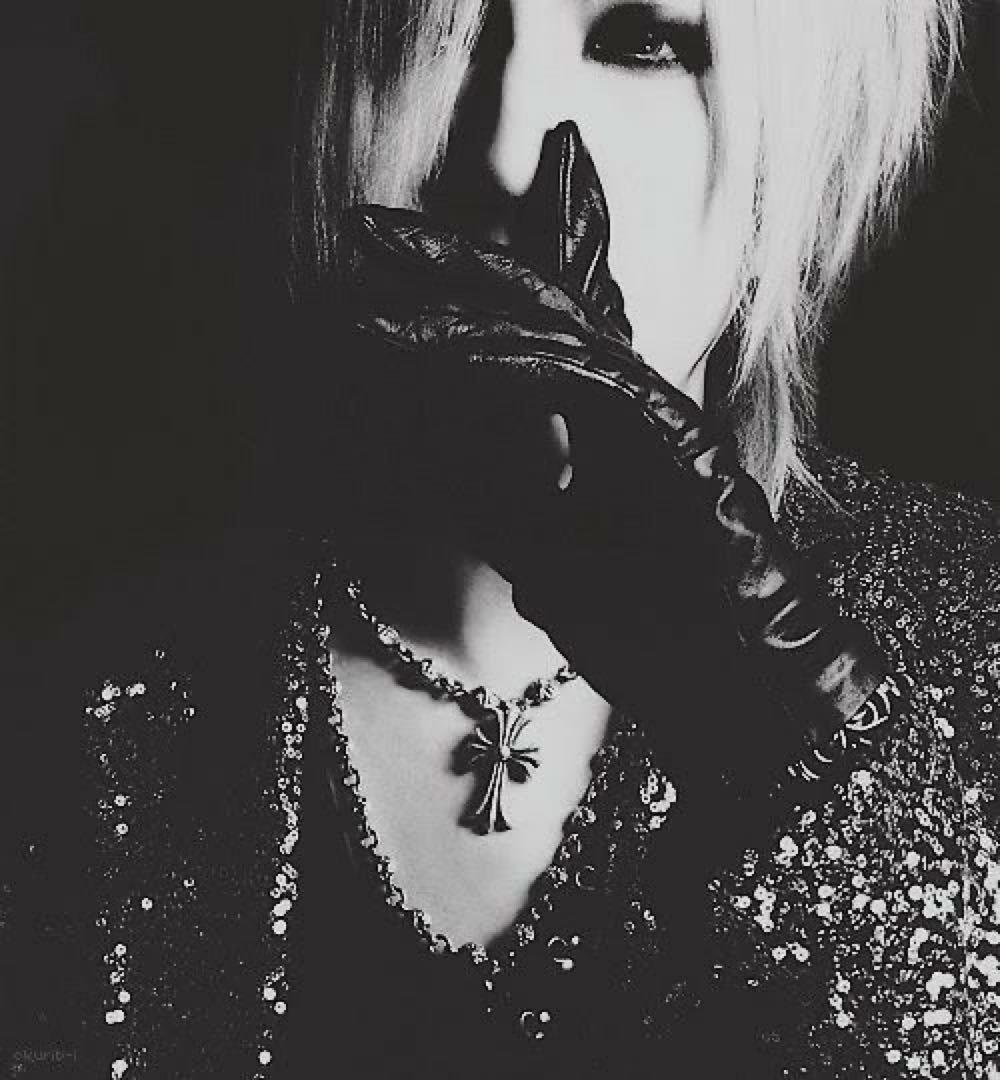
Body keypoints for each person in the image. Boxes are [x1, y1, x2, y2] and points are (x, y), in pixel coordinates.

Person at [5, 1, 999, 1077]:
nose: (507, 153)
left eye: (642, 40)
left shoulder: (972, 626)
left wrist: (796, 744)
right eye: (420, 34)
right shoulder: (83, 702)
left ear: (798, 152)